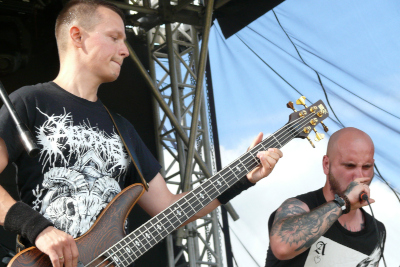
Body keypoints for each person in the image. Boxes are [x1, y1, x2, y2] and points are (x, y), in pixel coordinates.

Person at [0, 1, 283, 267]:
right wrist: (38, 229)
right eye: (114, 37)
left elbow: (169, 207)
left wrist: (242, 177)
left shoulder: (122, 128)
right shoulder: (30, 102)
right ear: (77, 36)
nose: (125, 50)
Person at [265, 127, 386, 266]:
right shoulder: (299, 206)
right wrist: (343, 202)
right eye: (350, 166)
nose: (360, 176)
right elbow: (282, 247)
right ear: (327, 164)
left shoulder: (377, 230)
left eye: (367, 166)